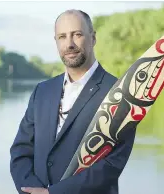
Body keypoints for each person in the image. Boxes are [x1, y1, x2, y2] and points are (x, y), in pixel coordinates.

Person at [10, 9, 136, 194]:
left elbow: (111, 164)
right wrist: (32, 190)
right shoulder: (42, 91)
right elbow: (21, 151)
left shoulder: (119, 93)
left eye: (77, 35)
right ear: (56, 41)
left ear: (93, 38)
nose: (69, 44)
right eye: (62, 37)